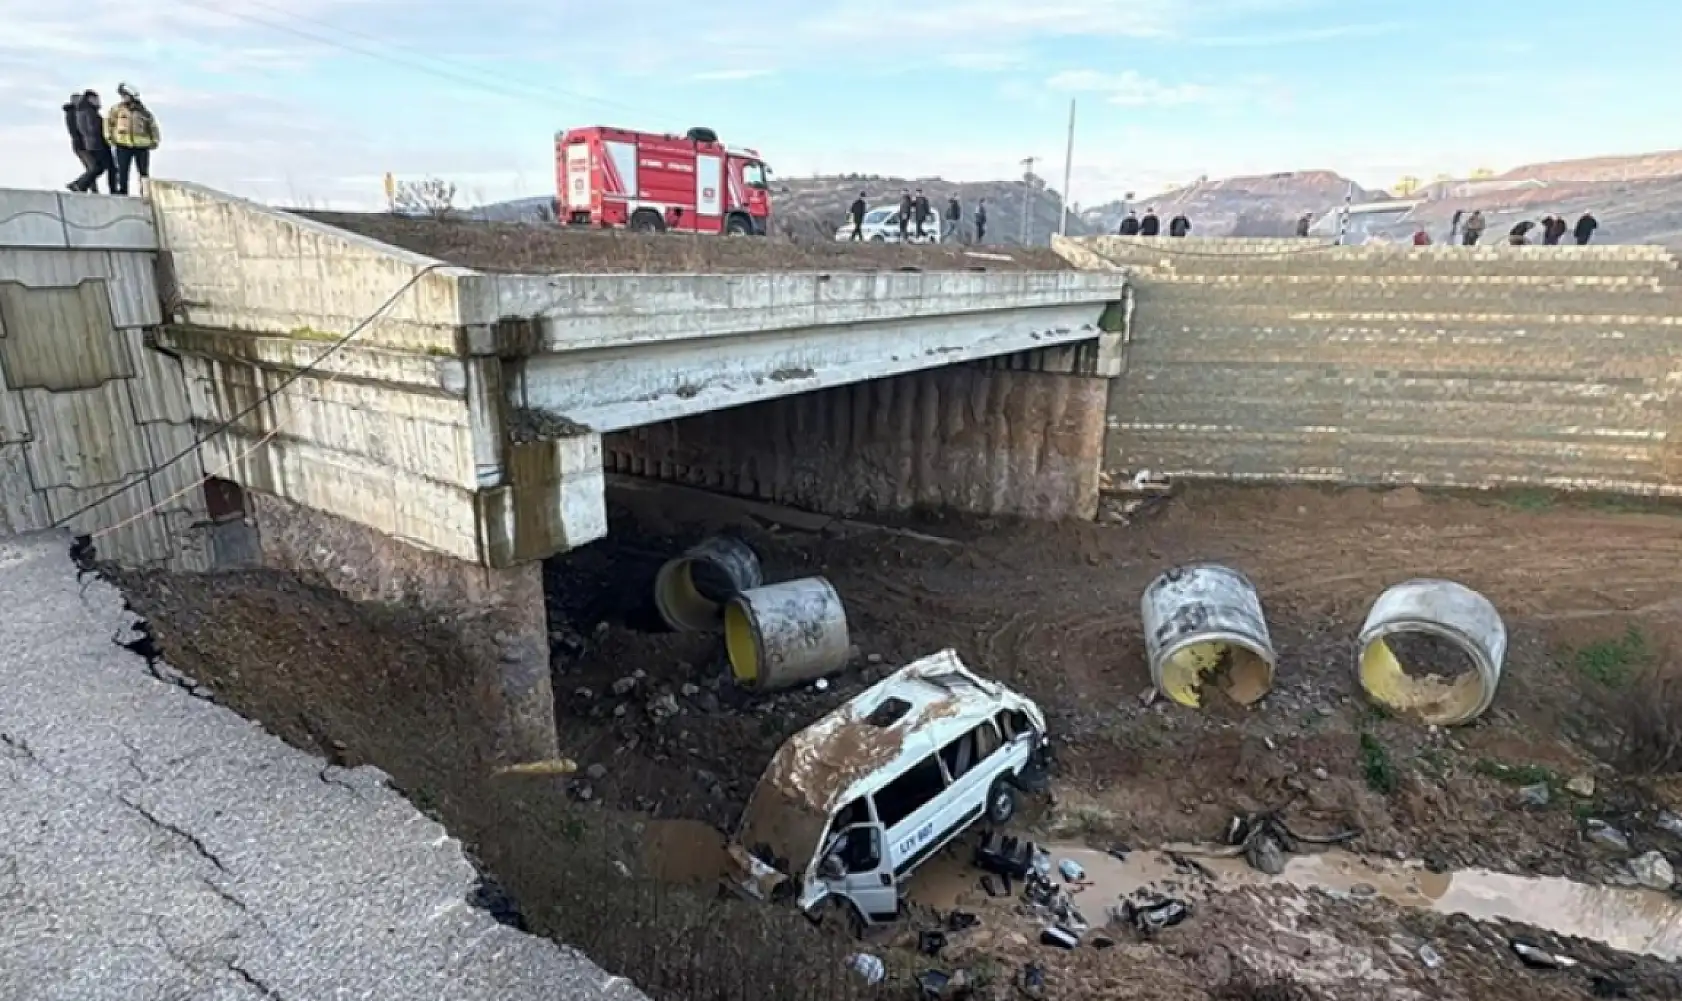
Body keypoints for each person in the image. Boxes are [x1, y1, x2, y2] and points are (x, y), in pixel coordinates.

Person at [105, 83, 160, 196]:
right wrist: (109, 137)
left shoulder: (144, 112)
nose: (124, 98)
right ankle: (123, 192)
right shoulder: (117, 109)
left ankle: (145, 193)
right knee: (122, 171)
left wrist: (155, 141)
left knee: (143, 173)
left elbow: (153, 127)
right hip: (122, 144)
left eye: (126, 95)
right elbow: (108, 123)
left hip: (142, 146)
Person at [68, 91, 114, 194]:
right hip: (93, 144)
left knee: (97, 167)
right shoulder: (86, 112)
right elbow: (90, 129)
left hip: (89, 143)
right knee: (98, 167)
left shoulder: (85, 111)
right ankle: (80, 185)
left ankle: (81, 185)